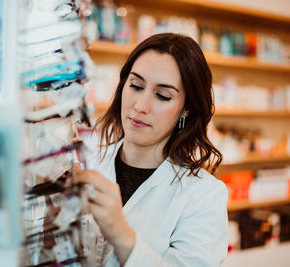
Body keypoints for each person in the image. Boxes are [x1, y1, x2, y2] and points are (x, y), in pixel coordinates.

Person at [77, 33, 228, 267]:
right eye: (136, 86)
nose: (140, 106)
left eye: (162, 95)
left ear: (186, 109)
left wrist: (121, 233)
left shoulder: (204, 195)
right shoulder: (86, 163)